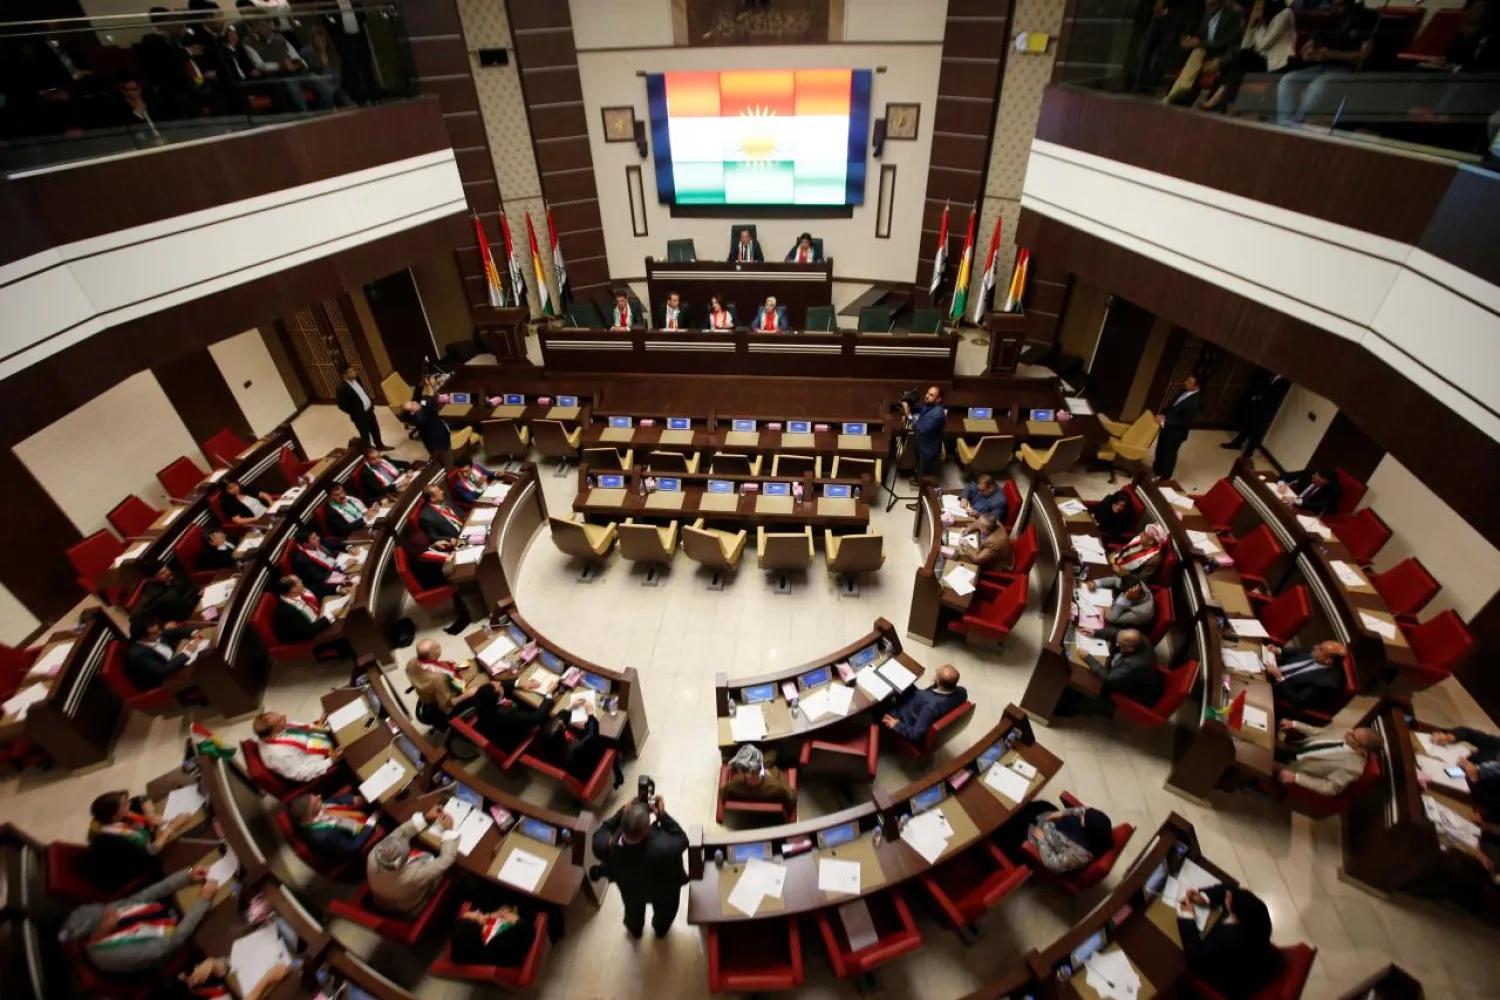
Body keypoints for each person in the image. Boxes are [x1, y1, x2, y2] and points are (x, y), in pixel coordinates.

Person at [59, 867, 219, 974]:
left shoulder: (106, 915)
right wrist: (203, 901)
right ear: (95, 934)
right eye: (105, 916)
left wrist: (187, 876)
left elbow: (145, 896)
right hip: (181, 944)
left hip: (169, 914)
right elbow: (172, 942)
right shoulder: (112, 955)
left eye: (105, 908)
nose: (110, 910)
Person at [590, 795, 689, 938]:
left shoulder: (604, 847)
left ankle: (635, 931)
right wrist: (662, 815)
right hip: (664, 891)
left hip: (632, 891)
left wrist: (622, 811)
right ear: (647, 830)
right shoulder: (665, 846)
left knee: (633, 912)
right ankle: (660, 930)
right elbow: (682, 839)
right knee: (665, 913)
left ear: (622, 826)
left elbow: (605, 828)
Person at [1276, 0, 1374, 125]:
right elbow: (1308, 47)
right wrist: (1308, 53)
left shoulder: (1366, 17)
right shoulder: (1331, 18)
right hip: (1321, 66)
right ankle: (1285, 124)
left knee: (1318, 85)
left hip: (1346, 69)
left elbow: (1363, 55)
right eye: (1333, 5)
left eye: (1339, 5)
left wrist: (1330, 54)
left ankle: (1295, 123)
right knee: (1288, 80)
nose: (1334, 8)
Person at [1177, 884, 1280, 999]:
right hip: (1261, 960)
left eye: (1228, 898)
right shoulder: (1259, 913)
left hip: (1239, 982)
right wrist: (1204, 897)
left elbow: (1194, 955)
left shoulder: (1229, 939)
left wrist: (1187, 918)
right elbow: (1229, 889)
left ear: (1236, 917)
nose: (1227, 895)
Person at [367, 804, 458, 918]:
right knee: (456, 870)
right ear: (404, 860)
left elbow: (399, 833)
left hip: (384, 898)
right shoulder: (411, 876)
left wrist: (426, 818)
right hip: (408, 907)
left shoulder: (374, 855)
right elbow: (446, 859)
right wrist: (449, 830)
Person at [1206, 0, 1295, 110]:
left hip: (1277, 64)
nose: (1256, 9)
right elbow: (1245, 46)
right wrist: (1251, 24)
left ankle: (1220, 99)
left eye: (1259, 5)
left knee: (1241, 57)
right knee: (1239, 57)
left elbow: (1264, 45)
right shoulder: (1264, 19)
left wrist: (1259, 26)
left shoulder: (1286, 14)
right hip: (1262, 60)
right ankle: (1224, 100)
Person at [85, 791, 182, 891]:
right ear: (114, 815)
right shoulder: (110, 841)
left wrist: (150, 816)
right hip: (136, 875)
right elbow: (150, 852)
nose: (129, 803)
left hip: (142, 850)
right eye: (125, 804)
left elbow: (142, 797)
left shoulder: (115, 816)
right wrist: (171, 827)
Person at [139, 7, 225, 119]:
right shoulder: (151, 40)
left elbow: (191, 59)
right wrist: (188, 51)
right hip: (174, 86)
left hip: (192, 80)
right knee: (193, 104)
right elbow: (168, 62)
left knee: (218, 93)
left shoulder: (175, 40)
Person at [242, 16, 335, 111]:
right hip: (278, 76)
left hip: (296, 71)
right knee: (292, 85)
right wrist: (281, 65)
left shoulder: (280, 38)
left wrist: (297, 64)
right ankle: (306, 115)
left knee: (320, 82)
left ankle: (326, 112)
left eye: (269, 24)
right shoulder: (248, 42)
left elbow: (295, 55)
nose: (268, 28)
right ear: (256, 27)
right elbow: (260, 65)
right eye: (263, 26)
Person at [999, 800, 1116, 873]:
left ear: (1087, 829)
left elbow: (1053, 864)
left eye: (1083, 818)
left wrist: (1042, 839)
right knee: (1041, 805)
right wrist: (1061, 813)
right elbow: (1080, 811)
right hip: (1053, 825)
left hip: (1044, 840)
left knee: (1010, 828)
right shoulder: (1095, 824)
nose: (1081, 814)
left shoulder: (1080, 855)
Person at [1166, 0, 1246, 105]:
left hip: (1225, 53)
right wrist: (1192, 40)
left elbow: (1228, 42)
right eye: (1207, 4)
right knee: (1196, 54)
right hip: (1207, 52)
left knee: (1198, 55)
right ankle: (1181, 92)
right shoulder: (1208, 11)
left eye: (1212, 4)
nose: (1208, 6)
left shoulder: (1234, 13)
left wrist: (1200, 44)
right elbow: (1202, 34)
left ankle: (1181, 90)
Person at [1274, 720, 1382, 795]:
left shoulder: (1353, 768)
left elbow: (1329, 788)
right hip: (1296, 748)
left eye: (1353, 736)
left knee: (1264, 760)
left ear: (1359, 749)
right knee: (1265, 737)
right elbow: (1320, 732)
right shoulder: (1347, 732)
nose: (1349, 731)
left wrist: (1296, 778)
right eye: (1354, 730)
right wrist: (1294, 724)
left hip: (1296, 768)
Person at [533, 701, 626, 789]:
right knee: (611, 741)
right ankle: (617, 772)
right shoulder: (575, 749)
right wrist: (590, 713)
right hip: (587, 768)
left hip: (570, 767)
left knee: (579, 731)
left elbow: (555, 725)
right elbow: (591, 736)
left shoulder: (544, 740)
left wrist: (570, 706)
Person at [401, 531, 472, 633]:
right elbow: (446, 565)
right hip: (434, 579)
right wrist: (451, 556)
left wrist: (433, 546)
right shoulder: (423, 557)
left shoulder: (415, 550)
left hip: (435, 570)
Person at [883, 664, 967, 743]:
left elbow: (916, 735)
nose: (935, 674)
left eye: (936, 675)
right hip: (918, 705)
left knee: (879, 703)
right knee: (902, 681)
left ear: (939, 683)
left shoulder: (929, 707)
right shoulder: (962, 692)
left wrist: (897, 724)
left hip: (905, 719)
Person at [470, 676, 553, 752]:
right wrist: (549, 693)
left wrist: (520, 684)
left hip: (495, 726)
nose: (499, 682)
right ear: (499, 697)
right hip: (513, 737)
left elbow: (501, 684)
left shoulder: (480, 697)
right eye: (499, 686)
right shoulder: (505, 714)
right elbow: (537, 717)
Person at [405, 638, 477, 724]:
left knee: (470, 664)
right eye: (438, 647)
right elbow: (446, 706)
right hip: (443, 698)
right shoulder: (439, 679)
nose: (440, 646)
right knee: (481, 680)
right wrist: (468, 694)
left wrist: (447, 666)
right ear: (434, 656)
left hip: (427, 690)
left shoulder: (412, 662)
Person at [253, 711, 339, 782]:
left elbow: (302, 732)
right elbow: (300, 774)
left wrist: (319, 725)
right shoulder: (278, 755)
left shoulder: (278, 730)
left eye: (279, 715)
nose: (284, 715)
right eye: (279, 720)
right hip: (321, 763)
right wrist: (331, 761)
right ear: (272, 735)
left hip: (318, 741)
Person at [1265, 640, 1348, 714]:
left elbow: (1299, 700)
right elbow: (1300, 652)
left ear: (1328, 660)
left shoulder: (1327, 684)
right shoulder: (1317, 656)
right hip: (1270, 669)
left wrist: (1279, 678)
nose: (1315, 647)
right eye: (1319, 644)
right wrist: (1278, 650)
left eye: (1320, 649)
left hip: (1275, 689)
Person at [448, 900, 538, 967]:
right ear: (480, 930)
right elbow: (527, 929)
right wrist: (506, 915)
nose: (478, 911)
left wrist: (490, 917)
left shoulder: (466, 947)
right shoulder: (497, 945)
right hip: (525, 927)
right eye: (477, 915)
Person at [125, 618, 205, 692]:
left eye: (159, 630)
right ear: (143, 638)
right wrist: (187, 652)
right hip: (164, 678)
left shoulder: (153, 636)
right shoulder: (139, 654)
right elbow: (164, 670)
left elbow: (172, 633)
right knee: (203, 665)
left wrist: (193, 633)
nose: (160, 633)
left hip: (173, 658)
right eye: (156, 632)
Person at [1089, 628, 1164, 707]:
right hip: (1128, 671)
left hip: (1131, 690)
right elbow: (1117, 633)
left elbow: (1109, 678)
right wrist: (1095, 632)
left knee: (1091, 681)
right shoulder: (1139, 638)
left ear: (1130, 649)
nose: (1117, 645)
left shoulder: (1132, 665)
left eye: (1120, 645)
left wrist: (1088, 658)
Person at [155, 957, 292, 1000]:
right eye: (184, 980)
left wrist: (212, 964)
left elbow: (227, 963)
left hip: (238, 983)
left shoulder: (193, 982)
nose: (185, 975)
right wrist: (266, 980)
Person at [1221, 369, 1289, 455]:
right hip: (1258, 404)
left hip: (1267, 408)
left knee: (1256, 431)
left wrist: (1262, 396)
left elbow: (1275, 396)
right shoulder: (1271, 375)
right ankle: (1237, 443)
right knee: (1248, 424)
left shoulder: (1284, 382)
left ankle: (1249, 452)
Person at [288, 791, 377, 856]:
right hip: (360, 832)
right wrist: (373, 819)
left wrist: (354, 799)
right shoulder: (324, 837)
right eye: (318, 805)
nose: (320, 797)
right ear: (311, 819)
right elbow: (352, 847)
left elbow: (333, 801)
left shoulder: (312, 812)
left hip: (353, 814)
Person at [1153, 375, 1202, 479]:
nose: (1185, 383)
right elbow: (1171, 406)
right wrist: (1163, 414)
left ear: (1196, 387)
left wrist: (1165, 423)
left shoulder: (1196, 402)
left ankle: (1164, 477)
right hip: (1166, 426)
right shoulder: (1181, 392)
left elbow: (1184, 421)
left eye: (1189, 382)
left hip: (1176, 432)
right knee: (1160, 449)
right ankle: (1156, 471)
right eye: (1187, 380)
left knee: (1169, 454)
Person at [903, 385, 947, 504]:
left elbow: (920, 428)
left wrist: (909, 415)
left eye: (931, 395)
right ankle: (918, 480)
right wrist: (909, 402)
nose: (927, 396)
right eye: (927, 393)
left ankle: (920, 504)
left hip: (928, 450)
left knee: (925, 477)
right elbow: (920, 408)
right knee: (919, 469)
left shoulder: (937, 414)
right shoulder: (930, 406)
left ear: (938, 399)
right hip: (921, 445)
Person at [272, 574, 342, 644]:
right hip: (311, 636)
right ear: (293, 589)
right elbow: (307, 631)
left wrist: (338, 589)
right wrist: (330, 616)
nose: (302, 581)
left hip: (320, 618)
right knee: (343, 624)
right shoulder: (286, 612)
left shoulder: (297, 593)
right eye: (299, 581)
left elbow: (318, 589)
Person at [722, 744, 798, 808]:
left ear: (740, 771)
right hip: (771, 780)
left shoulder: (733, 786)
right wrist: (769, 777)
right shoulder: (776, 787)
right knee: (773, 752)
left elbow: (722, 795)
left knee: (770, 756)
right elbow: (792, 799)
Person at [1085, 574, 1155, 641]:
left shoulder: (1143, 613)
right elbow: (1115, 581)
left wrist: (1125, 599)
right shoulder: (1136, 585)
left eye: (1124, 593)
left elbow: (1112, 618)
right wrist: (1096, 583)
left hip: (1130, 628)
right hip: (1120, 610)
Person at [298, 24, 351, 107]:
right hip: (313, 82)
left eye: (321, 39)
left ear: (326, 40)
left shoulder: (333, 56)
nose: (319, 42)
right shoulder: (306, 52)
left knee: (343, 97)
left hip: (331, 84)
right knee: (324, 86)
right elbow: (303, 73)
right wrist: (313, 76)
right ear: (312, 41)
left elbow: (337, 77)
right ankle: (329, 110)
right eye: (317, 40)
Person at [336, 364, 386, 450]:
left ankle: (380, 446)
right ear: (345, 375)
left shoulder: (357, 380)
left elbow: (362, 393)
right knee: (365, 434)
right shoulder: (342, 388)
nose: (354, 373)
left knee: (375, 429)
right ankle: (369, 450)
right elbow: (342, 405)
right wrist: (354, 411)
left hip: (369, 410)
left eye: (353, 370)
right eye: (351, 372)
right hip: (359, 415)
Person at [290, 528, 350, 598]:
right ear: (305, 544)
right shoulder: (302, 560)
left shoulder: (317, 542)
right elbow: (320, 576)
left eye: (316, 535)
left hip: (339, 567)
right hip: (328, 584)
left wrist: (349, 547)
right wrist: (343, 566)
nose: (318, 538)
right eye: (313, 538)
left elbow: (334, 543)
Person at [133, 563, 202, 623]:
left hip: (195, 604)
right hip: (186, 618)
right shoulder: (157, 596)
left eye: (167, 569)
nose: (168, 573)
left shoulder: (170, 577)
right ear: (153, 579)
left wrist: (198, 591)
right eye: (162, 573)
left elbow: (190, 586)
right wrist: (197, 596)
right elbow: (182, 610)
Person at [401, 394, 455, 467]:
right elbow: (429, 407)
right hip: (439, 441)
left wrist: (420, 386)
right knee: (448, 460)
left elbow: (417, 398)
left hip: (434, 440)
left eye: (412, 402)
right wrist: (438, 400)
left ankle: (442, 466)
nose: (414, 402)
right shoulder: (421, 416)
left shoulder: (417, 412)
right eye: (412, 405)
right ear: (412, 412)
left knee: (441, 459)